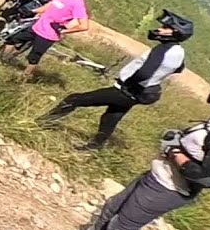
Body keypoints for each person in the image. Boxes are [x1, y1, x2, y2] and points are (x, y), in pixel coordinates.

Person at [50, 65, 210, 230]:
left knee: (123, 224)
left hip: (171, 188)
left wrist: (173, 151)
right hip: (160, 174)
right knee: (113, 207)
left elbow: (205, 175)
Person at [37, 10, 193, 151]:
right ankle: (96, 145)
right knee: (111, 117)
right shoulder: (179, 52)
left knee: (75, 99)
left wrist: (128, 84)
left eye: (166, 28)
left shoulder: (162, 50)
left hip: (127, 91)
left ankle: (42, 122)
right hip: (143, 93)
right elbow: (178, 69)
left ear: (176, 33)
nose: (160, 29)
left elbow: (145, 72)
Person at [0, 0, 91, 80]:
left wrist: (63, 30)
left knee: (34, 57)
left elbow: (84, 25)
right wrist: (32, 11)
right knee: (12, 39)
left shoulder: (77, 3)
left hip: (48, 35)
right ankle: (1, 61)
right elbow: (49, 6)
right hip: (36, 27)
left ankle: (25, 76)